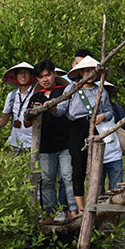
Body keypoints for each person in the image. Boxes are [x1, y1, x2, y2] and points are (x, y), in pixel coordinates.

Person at [53, 55, 114, 212]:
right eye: (85, 71)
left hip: (95, 129)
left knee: (96, 169)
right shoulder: (71, 88)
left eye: (92, 71)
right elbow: (62, 110)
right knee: (77, 168)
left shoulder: (101, 91)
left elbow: (109, 111)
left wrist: (103, 116)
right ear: (80, 73)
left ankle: (96, 203)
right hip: (76, 130)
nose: (89, 74)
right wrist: (52, 108)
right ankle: (80, 208)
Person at [25, 60, 78, 223]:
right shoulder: (36, 96)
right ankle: (49, 212)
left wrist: (53, 108)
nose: (45, 79)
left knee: (67, 177)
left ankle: (70, 210)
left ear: (54, 74)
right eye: (41, 77)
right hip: (45, 145)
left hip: (65, 142)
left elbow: (71, 113)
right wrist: (32, 112)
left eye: (47, 75)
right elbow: (26, 122)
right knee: (47, 180)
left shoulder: (64, 92)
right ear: (37, 80)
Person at [0, 62, 37, 153]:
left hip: (32, 143)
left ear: (31, 76)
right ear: (16, 76)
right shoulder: (12, 95)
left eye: (26, 72)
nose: (23, 75)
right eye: (20, 73)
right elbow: (3, 119)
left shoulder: (37, 94)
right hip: (14, 143)